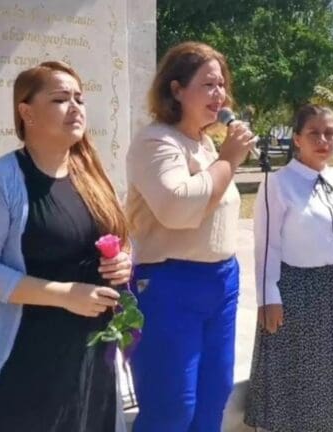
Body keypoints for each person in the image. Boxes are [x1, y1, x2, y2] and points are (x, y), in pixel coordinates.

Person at [0, 61, 132, 432]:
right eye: (60, 99)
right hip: (25, 357)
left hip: (88, 354)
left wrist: (122, 262)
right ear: (26, 112)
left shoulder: (92, 176)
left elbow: (117, 242)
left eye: (79, 98)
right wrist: (63, 294)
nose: (75, 107)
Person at [125, 41, 256, 432]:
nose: (220, 95)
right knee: (171, 409)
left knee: (213, 399)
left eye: (222, 85)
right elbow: (177, 207)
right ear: (177, 89)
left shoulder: (206, 143)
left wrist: (222, 157)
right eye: (209, 84)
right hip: (169, 286)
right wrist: (229, 160)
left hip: (221, 283)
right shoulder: (156, 141)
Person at [244, 104, 333, 431]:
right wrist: (268, 297)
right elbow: (267, 245)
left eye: (330, 133)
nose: (323, 140)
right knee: (295, 381)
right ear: (297, 138)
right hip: (295, 294)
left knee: (332, 378)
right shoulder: (278, 183)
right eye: (314, 133)